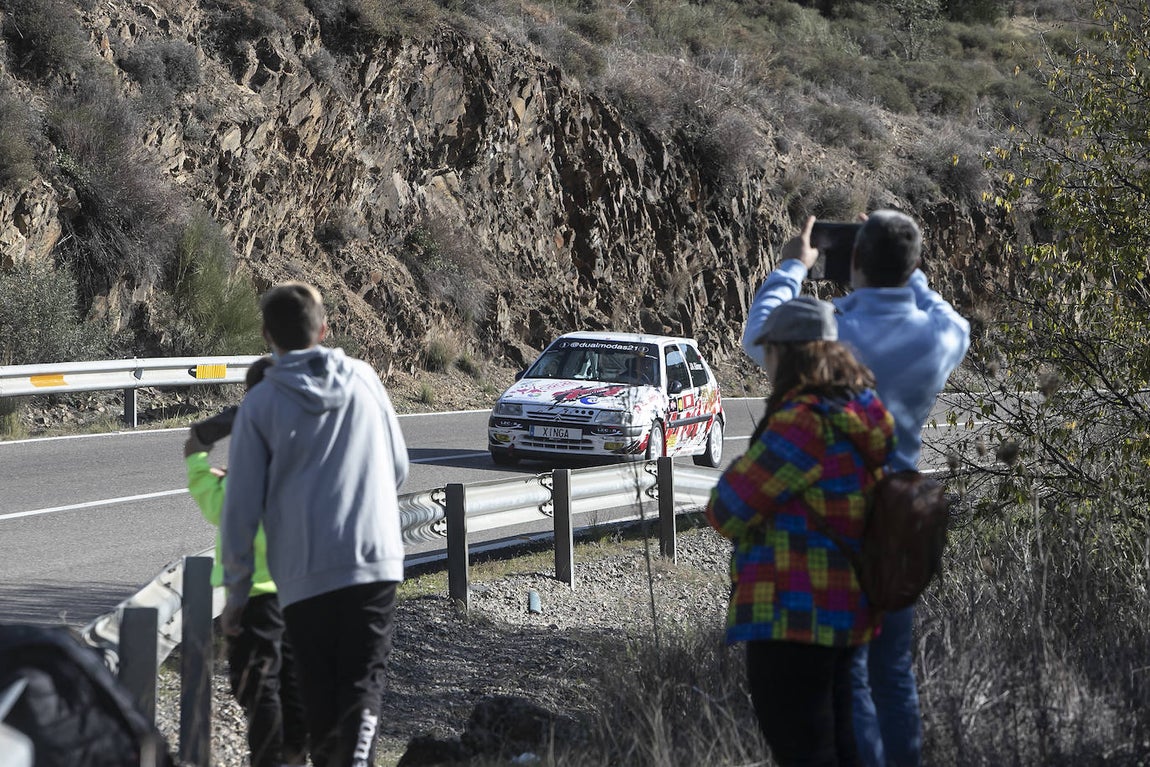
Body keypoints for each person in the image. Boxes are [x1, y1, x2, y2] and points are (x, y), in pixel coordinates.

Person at [742, 212, 971, 767]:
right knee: (891, 672)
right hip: (898, 518)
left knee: (853, 677)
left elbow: (760, 335)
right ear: (912, 267)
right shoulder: (939, 335)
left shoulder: (831, 331)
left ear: (856, 262)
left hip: (830, 523)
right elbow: (949, 314)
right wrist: (903, 267)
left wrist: (796, 263)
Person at [220, 282, 410, 767]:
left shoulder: (260, 406)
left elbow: (239, 509)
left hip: (305, 573)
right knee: (363, 681)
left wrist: (237, 597)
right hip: (373, 561)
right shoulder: (365, 378)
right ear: (324, 329)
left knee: (320, 694)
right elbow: (398, 466)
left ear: (267, 336)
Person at [707, 296, 895, 767]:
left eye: (769, 351)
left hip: (793, 613)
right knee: (843, 746)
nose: (765, 362)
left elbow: (727, 508)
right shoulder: (865, 413)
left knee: (802, 749)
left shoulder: (803, 423)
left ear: (788, 353)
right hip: (851, 610)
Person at [184, 355, 308, 767]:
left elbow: (220, 503)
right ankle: (293, 752)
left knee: (257, 687)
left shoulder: (252, 459)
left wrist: (201, 445)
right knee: (294, 681)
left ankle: (270, 759)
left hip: (257, 596)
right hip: (309, 590)